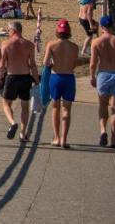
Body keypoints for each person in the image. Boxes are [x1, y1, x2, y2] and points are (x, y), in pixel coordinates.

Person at [90, 15, 115, 148]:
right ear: (112, 26)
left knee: (102, 105)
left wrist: (92, 76)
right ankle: (113, 139)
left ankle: (103, 130)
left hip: (103, 75)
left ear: (102, 27)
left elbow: (93, 63)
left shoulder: (96, 42)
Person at [0, 21, 39, 142]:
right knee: (25, 106)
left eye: (8, 30)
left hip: (12, 77)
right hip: (25, 77)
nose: (8, 32)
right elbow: (33, 65)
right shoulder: (30, 45)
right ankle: (23, 133)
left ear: (13, 30)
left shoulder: (6, 44)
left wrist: (0, 77)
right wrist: (36, 80)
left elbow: (2, 65)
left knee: (6, 103)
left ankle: (12, 122)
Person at [42, 19, 80, 148]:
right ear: (69, 32)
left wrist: (53, 64)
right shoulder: (75, 47)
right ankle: (64, 139)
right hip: (69, 78)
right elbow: (75, 64)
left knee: (55, 107)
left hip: (56, 77)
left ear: (58, 31)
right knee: (67, 109)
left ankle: (56, 138)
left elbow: (45, 62)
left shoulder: (51, 45)